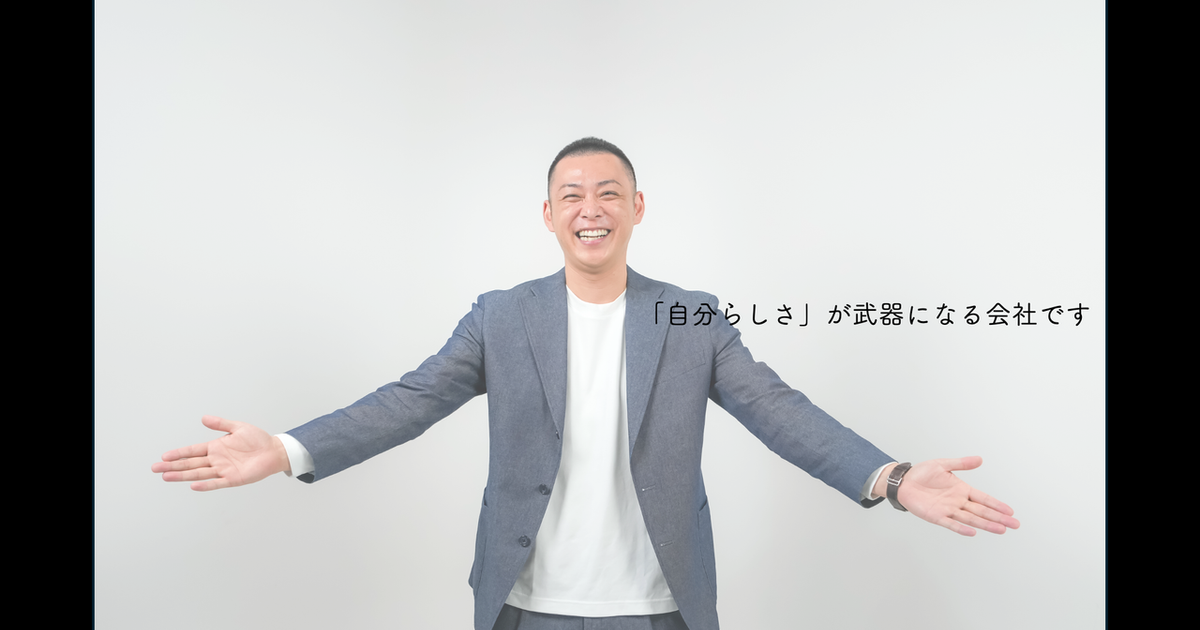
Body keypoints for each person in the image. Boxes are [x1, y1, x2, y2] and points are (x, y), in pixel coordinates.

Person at [153, 137, 1019, 630]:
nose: (590, 208)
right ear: (549, 215)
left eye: (609, 193)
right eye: (571, 195)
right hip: (525, 602)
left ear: (638, 208)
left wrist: (891, 478)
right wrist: (288, 449)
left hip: (660, 603)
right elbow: (410, 401)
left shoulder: (688, 316)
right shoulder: (501, 316)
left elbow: (774, 407)